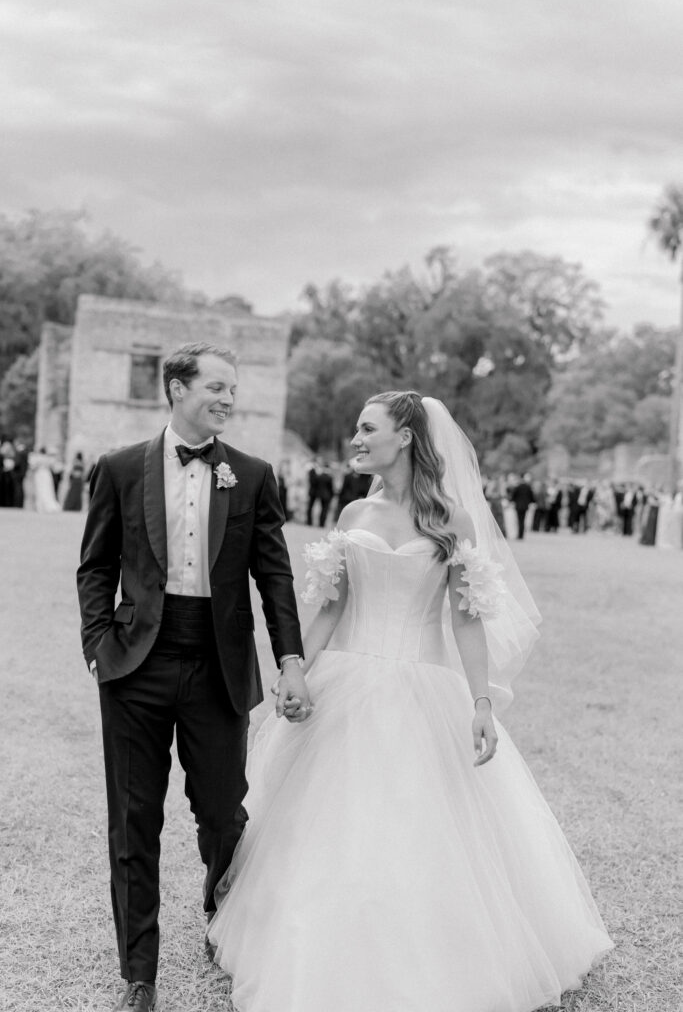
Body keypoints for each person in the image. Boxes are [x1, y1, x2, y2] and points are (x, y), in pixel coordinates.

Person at [207, 390, 612, 1012]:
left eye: (367, 429)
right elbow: (331, 608)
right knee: (329, 821)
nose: (355, 440)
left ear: (406, 437)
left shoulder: (453, 519)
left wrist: (481, 702)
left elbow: (467, 621)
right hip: (347, 683)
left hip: (424, 687)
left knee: (421, 824)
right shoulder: (350, 515)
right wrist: (295, 670)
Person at [77, 342, 308, 1012]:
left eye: (234, 390)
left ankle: (221, 912)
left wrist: (289, 658)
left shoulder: (254, 475)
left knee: (220, 811)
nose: (229, 400)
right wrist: (97, 643)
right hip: (134, 666)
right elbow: (95, 565)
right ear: (175, 388)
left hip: (217, 667)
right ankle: (139, 974)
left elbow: (275, 576)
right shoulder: (120, 469)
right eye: (217, 387)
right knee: (133, 818)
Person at [28, 447, 61, 513]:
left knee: (40, 490)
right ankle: (48, 506)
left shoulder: (37, 458)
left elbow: (32, 467)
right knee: (48, 490)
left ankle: (40, 507)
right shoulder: (48, 458)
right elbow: (55, 469)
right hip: (47, 474)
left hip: (39, 474)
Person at [511, 472, 535, 540]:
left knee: (519, 520)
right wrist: (531, 502)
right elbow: (531, 496)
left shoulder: (517, 487)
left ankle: (519, 534)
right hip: (525, 506)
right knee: (523, 520)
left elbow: (513, 496)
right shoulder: (528, 487)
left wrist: (512, 501)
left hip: (518, 505)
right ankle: (521, 535)